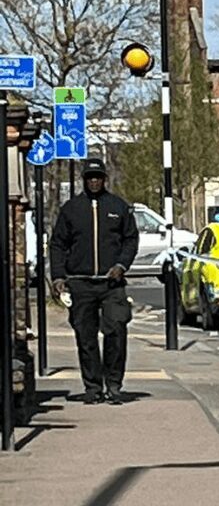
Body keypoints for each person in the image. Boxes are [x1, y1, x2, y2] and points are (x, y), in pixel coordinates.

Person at [49, 159, 139, 405]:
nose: (94, 181)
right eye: (90, 177)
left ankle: (114, 384)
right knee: (85, 336)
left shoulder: (118, 206)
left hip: (112, 284)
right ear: (84, 180)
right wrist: (58, 276)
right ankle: (93, 387)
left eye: (98, 176)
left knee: (116, 331)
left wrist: (121, 265)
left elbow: (130, 239)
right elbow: (58, 244)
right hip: (81, 282)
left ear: (104, 179)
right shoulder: (72, 209)